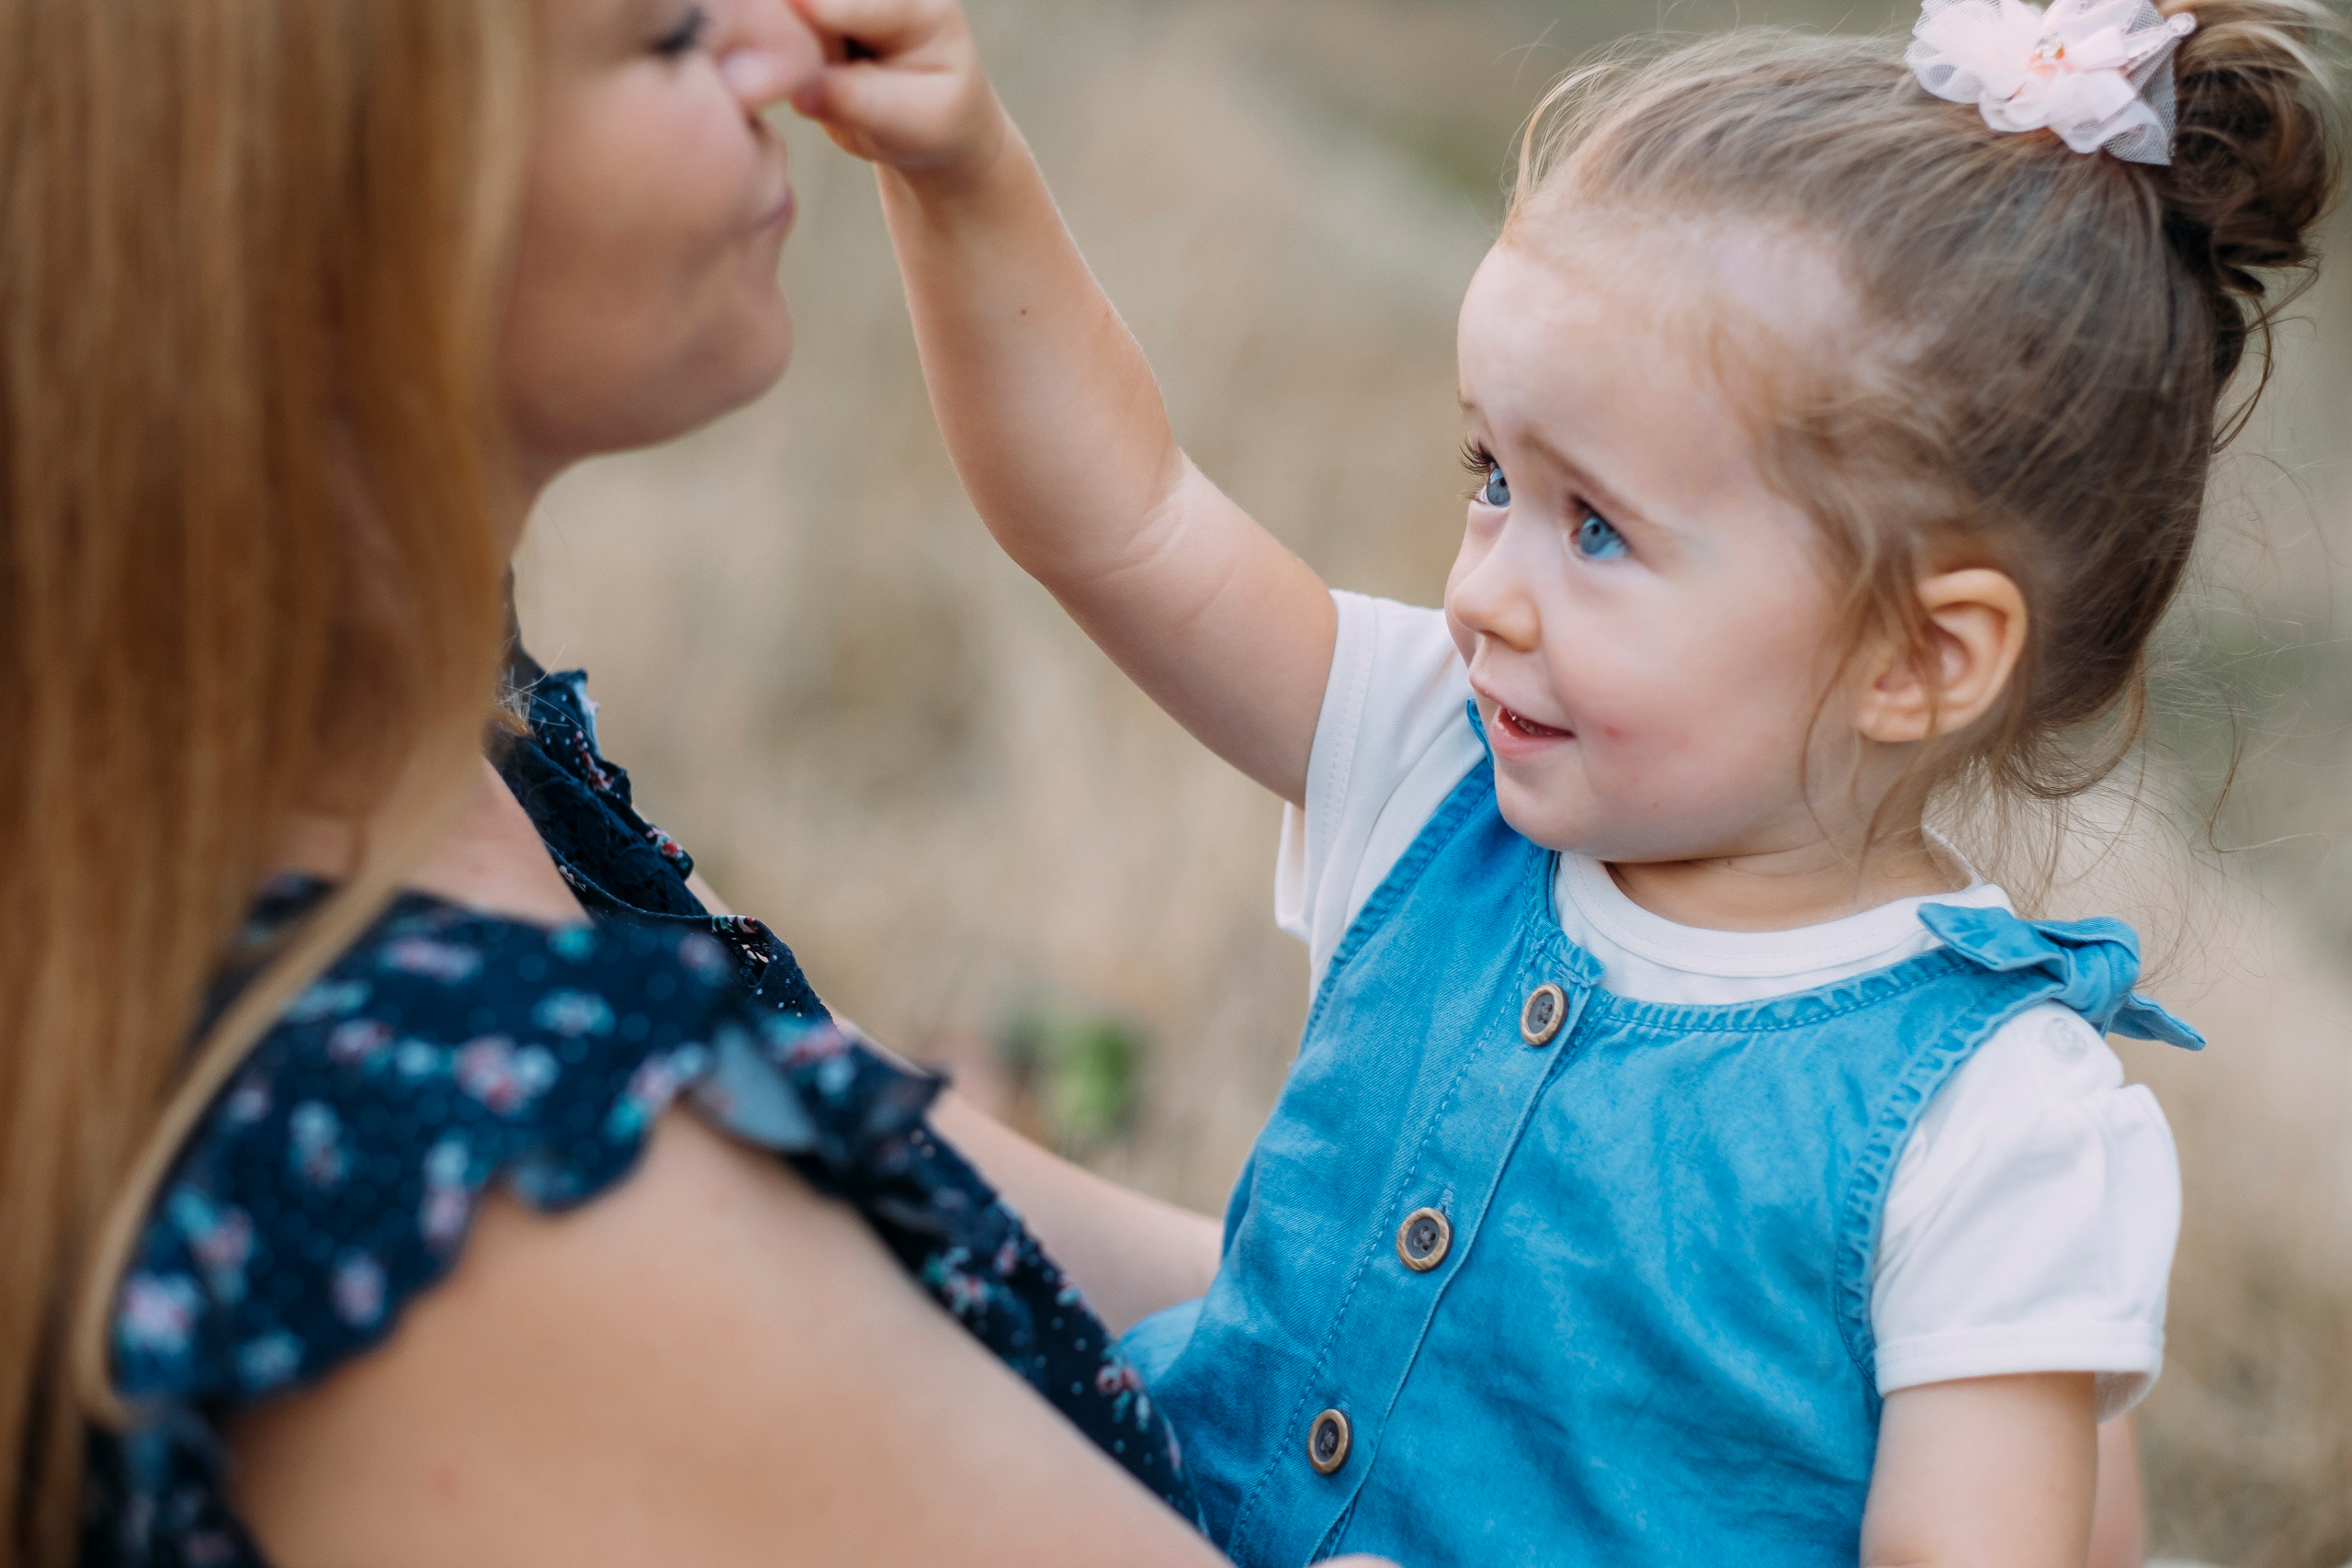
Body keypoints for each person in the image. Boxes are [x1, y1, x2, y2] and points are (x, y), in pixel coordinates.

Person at [787, 0, 2341, 1562]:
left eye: (1595, 527)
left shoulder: (1992, 1129)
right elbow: (1117, 520)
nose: (1486, 595)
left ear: (1918, 661)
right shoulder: (1433, 762)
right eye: (1491, 479)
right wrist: (960, 172)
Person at [0, 2, 1398, 1565]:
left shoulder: (426, 776)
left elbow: (1034, 1231)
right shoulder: (474, 1188)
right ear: (335, 206)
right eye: (670, 34)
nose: (784, 53)